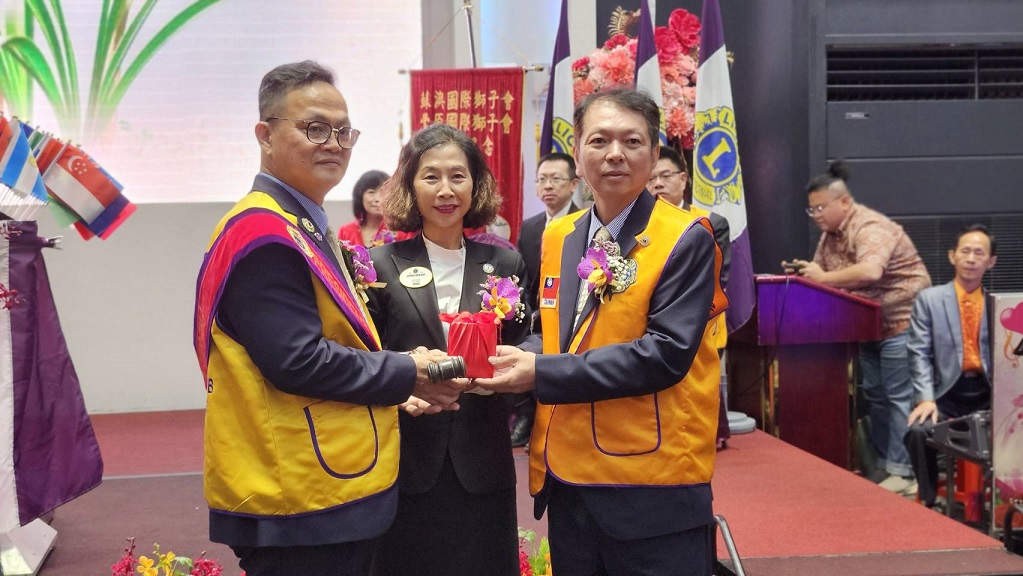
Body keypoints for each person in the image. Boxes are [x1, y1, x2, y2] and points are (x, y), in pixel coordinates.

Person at [193, 60, 464, 576]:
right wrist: (408, 370)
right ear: (265, 135)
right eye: (314, 128)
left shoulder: (299, 223)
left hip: (321, 480)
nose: (334, 144)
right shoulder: (265, 235)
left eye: (344, 132)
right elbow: (298, 361)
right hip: (298, 493)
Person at [476, 88, 728, 576]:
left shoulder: (686, 236)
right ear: (577, 155)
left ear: (654, 154)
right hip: (568, 477)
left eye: (631, 141)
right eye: (599, 141)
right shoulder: (560, 234)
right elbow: (558, 333)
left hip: (649, 481)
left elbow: (665, 354)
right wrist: (506, 358)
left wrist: (539, 370)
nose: (615, 154)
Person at [366, 123, 531, 576]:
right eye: (431, 176)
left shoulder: (505, 263)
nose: (445, 190)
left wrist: (506, 371)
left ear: (475, 185)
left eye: (458, 176)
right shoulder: (379, 266)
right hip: (406, 457)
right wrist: (403, 385)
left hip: (483, 457)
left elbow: (526, 339)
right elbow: (364, 355)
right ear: (410, 186)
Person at [786, 161, 931, 496]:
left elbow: (870, 272)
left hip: (902, 324)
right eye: (811, 210)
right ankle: (884, 465)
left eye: (821, 208)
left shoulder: (869, 226)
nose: (816, 215)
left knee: (898, 399)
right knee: (876, 398)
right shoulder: (830, 235)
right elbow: (821, 272)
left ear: (844, 202)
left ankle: (904, 472)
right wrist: (806, 273)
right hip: (866, 326)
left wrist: (823, 278)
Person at [905, 224, 995, 508]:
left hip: (988, 394)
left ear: (991, 262)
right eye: (965, 251)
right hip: (946, 394)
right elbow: (918, 352)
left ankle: (1005, 499)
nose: (971, 258)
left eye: (979, 253)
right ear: (951, 256)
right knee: (918, 431)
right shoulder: (929, 300)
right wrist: (926, 398)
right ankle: (929, 499)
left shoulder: (998, 305)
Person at [648, 145, 731, 445]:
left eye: (665, 176)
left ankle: (701, 441)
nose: (658, 184)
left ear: (683, 179)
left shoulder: (710, 221)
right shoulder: (642, 224)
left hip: (703, 319)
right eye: (651, 178)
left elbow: (719, 278)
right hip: (654, 321)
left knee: (698, 390)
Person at [510, 152, 581, 447]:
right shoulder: (530, 226)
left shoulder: (584, 223)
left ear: (574, 184)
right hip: (535, 312)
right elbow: (525, 276)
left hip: (568, 313)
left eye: (555, 179)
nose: (547, 186)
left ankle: (554, 424)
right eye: (542, 180)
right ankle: (527, 415)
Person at [336, 169, 410, 247]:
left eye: (383, 192)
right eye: (371, 192)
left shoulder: (401, 230)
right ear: (360, 196)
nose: (377, 199)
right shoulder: (345, 231)